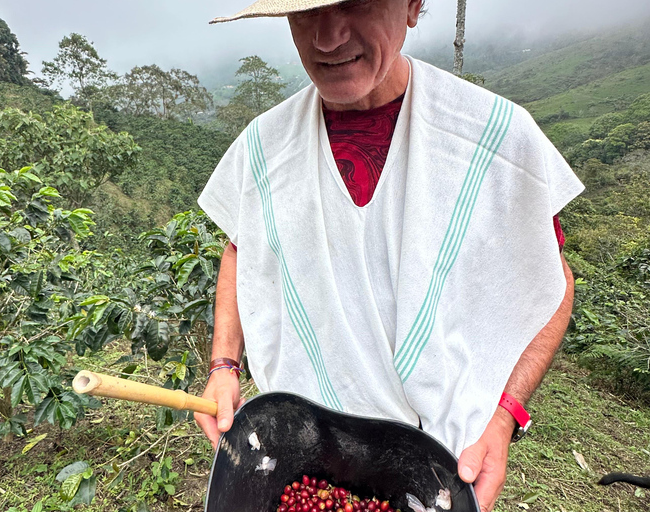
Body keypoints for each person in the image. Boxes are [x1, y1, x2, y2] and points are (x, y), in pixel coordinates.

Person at [194, 1, 584, 511]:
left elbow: (552, 283)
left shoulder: (490, 139)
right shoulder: (265, 148)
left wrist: (505, 416)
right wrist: (225, 364)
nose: (328, 37)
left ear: (414, 6)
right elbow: (240, 248)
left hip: (438, 461)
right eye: (306, 13)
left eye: (356, 2)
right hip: (301, 451)